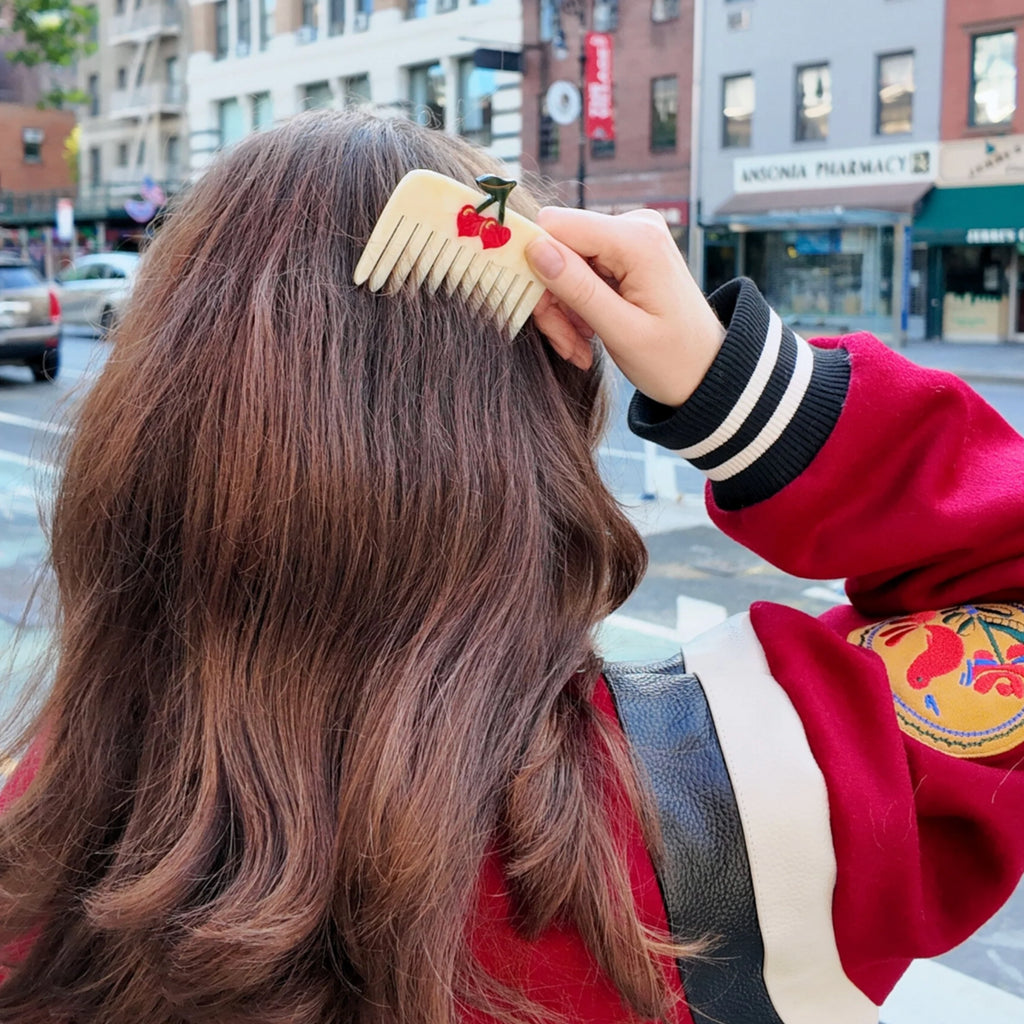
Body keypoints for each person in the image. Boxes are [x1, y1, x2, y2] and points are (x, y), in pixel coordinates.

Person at [0, 108, 1021, 1024]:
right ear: (536, 432)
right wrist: (735, 385)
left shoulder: (33, 849)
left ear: (147, 436)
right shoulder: (740, 816)